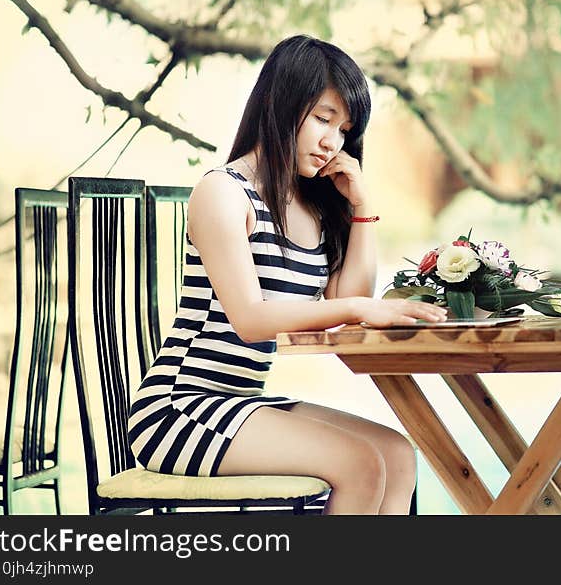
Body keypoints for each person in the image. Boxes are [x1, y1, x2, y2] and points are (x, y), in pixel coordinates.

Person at [128, 35, 447, 515]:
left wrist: (362, 208)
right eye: (322, 118)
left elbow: (349, 300)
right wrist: (362, 307)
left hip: (241, 404)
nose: (332, 142)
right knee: (361, 464)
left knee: (398, 457)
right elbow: (251, 319)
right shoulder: (223, 193)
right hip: (178, 409)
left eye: (344, 129)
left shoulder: (312, 206)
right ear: (280, 103)